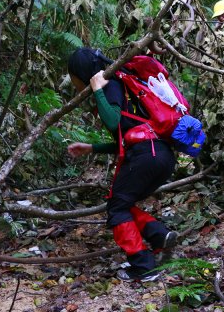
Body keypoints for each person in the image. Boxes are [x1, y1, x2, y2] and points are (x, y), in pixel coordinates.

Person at [66, 48, 178, 282]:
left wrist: (97, 89)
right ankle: (160, 237)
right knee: (121, 203)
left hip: (147, 155)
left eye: (72, 76)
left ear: (80, 73)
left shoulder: (112, 84)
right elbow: (127, 136)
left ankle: (144, 266)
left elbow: (113, 119)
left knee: (117, 209)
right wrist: (92, 148)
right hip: (161, 155)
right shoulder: (123, 86)